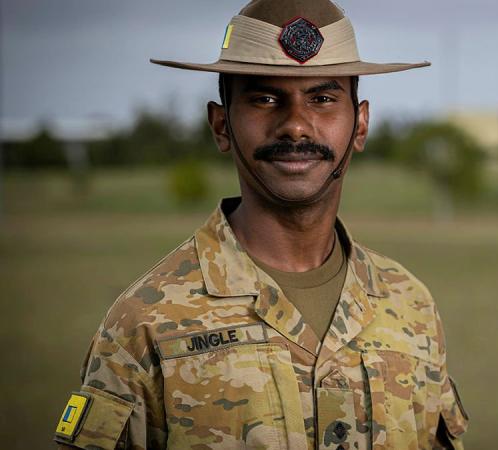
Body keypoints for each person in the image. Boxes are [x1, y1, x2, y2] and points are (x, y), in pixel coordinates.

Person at [53, 0, 468, 449]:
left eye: (323, 99)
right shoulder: (145, 323)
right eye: (265, 98)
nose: (295, 126)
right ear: (221, 125)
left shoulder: (410, 305)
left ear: (361, 123)